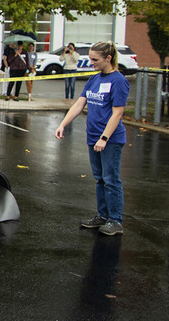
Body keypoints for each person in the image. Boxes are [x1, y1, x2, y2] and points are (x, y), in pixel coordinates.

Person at [55, 41, 129, 236]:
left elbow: (117, 113)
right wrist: (63, 124)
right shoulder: (94, 79)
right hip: (93, 137)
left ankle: (115, 221)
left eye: (95, 59)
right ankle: (103, 216)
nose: (91, 62)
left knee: (111, 179)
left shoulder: (118, 81)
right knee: (100, 179)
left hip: (110, 140)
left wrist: (104, 137)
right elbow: (79, 104)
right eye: (90, 58)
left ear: (108, 58)